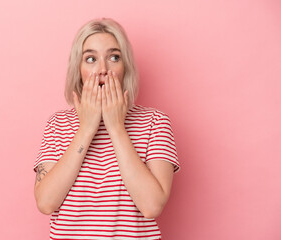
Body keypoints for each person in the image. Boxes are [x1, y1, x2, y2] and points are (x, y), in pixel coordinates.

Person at [33, 18, 180, 240]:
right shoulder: (58, 124)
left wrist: (116, 126)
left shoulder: (155, 122)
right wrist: (87, 128)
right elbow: (45, 203)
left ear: (125, 67)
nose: (102, 69)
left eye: (114, 57)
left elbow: (151, 206)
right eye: (90, 59)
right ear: (78, 70)